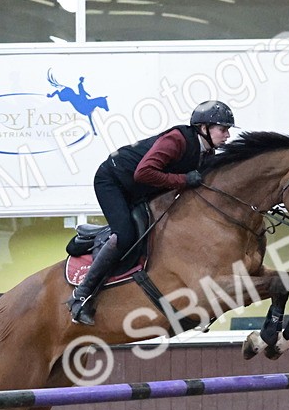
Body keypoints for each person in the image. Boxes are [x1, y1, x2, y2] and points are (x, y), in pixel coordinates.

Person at [67, 99, 235, 325]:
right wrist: (183, 179)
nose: (227, 136)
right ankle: (81, 296)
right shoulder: (176, 140)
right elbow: (143, 173)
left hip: (141, 189)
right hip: (113, 181)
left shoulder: (206, 153)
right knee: (125, 235)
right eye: (223, 129)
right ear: (204, 128)